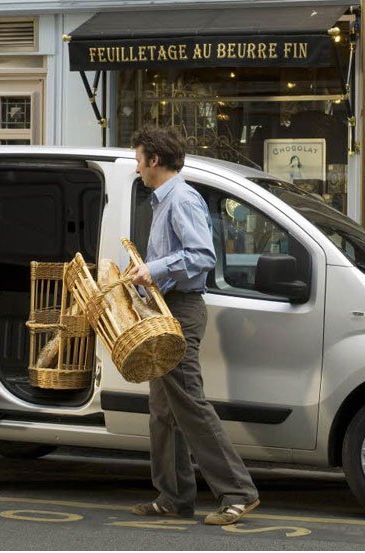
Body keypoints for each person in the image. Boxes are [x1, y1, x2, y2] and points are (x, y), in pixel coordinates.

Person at [127, 125, 260, 526]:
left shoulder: (181, 198)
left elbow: (201, 256)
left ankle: (238, 492)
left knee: (189, 403)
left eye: (138, 160)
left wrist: (152, 269)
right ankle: (173, 497)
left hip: (181, 311)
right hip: (166, 309)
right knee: (162, 409)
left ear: (154, 160)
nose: (137, 168)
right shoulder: (163, 200)